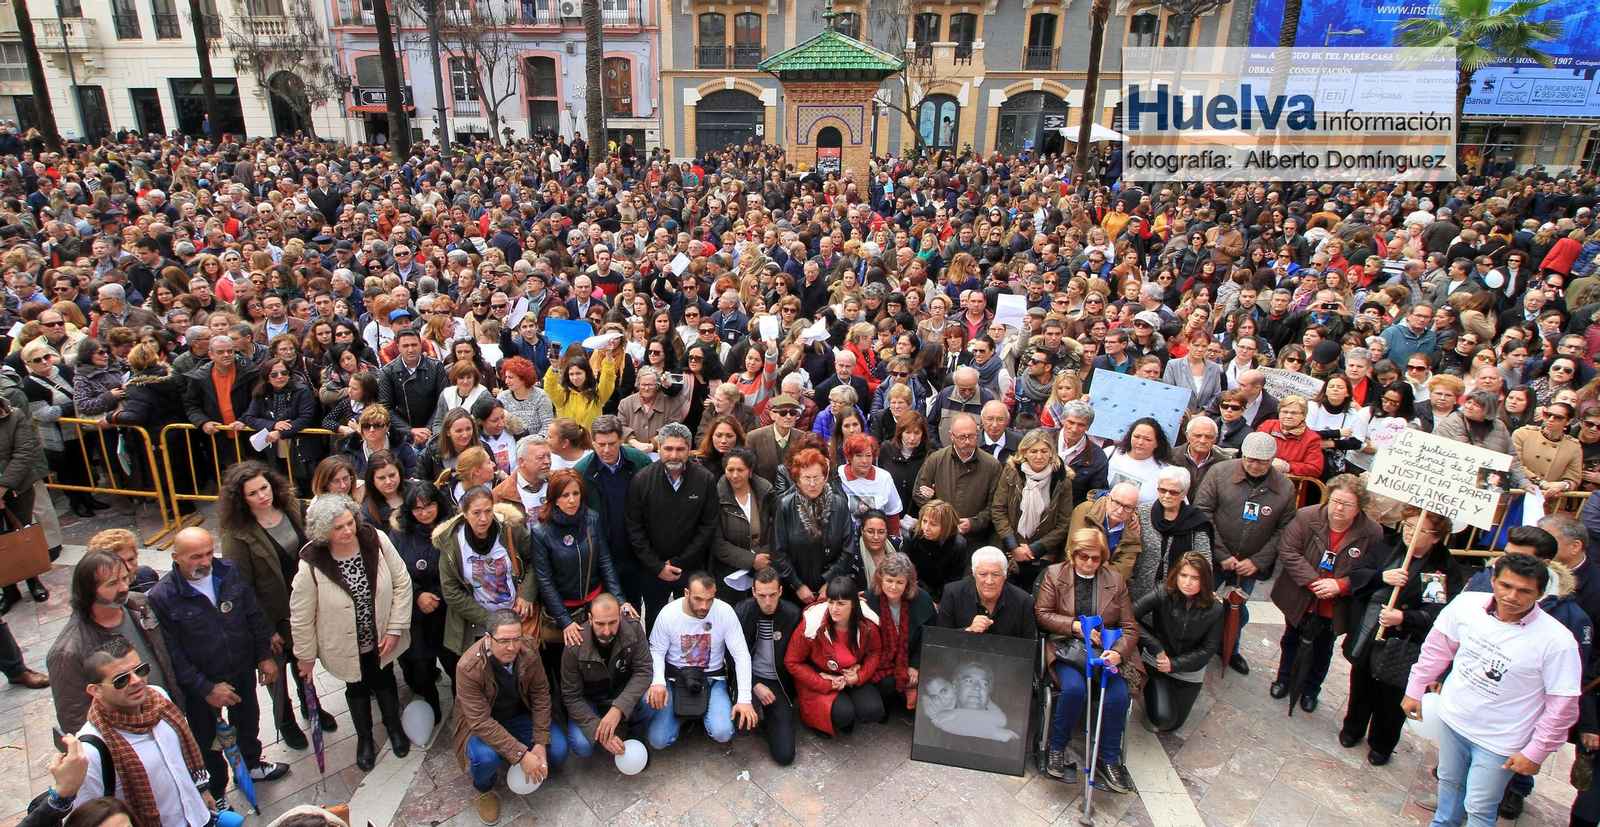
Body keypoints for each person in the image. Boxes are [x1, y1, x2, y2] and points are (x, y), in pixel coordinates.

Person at [1404, 552, 1581, 827]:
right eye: (1505, 585)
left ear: (1540, 593)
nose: (1512, 596)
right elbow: (1438, 648)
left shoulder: (1558, 642)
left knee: (1479, 806)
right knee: (1448, 782)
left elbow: (1562, 706)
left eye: (1525, 591)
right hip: (1453, 719)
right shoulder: (1467, 604)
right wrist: (1415, 688)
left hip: (1501, 740)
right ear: (1494, 579)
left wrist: (1536, 751)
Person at [146, 527, 289, 803]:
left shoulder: (229, 570)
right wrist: (205, 688)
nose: (205, 561)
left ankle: (251, 765)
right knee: (207, 741)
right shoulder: (163, 596)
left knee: (248, 721)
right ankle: (217, 790)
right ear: (176, 558)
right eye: (195, 557)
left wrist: (264, 655)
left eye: (209, 553)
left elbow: (252, 613)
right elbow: (172, 653)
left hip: (240, 668)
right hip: (202, 686)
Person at [289, 495, 415, 772]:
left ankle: (394, 728)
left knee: (384, 678)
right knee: (356, 687)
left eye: (350, 523)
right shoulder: (312, 561)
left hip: (381, 634)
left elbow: (402, 582)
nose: (348, 531)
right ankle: (365, 739)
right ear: (324, 531)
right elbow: (301, 614)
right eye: (338, 527)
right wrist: (305, 657)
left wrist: (395, 627)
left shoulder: (375, 540)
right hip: (345, 643)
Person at [215, 461, 331, 750]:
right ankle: (285, 721)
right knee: (276, 672)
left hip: (302, 604)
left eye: (264, 488)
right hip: (270, 614)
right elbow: (241, 587)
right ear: (241, 499)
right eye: (252, 493)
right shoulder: (238, 535)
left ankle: (311, 705)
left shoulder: (292, 508)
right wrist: (266, 630)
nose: (262, 496)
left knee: (304, 659)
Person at [1340, 510, 1465, 767]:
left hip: (1403, 643)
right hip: (1370, 631)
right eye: (1408, 525)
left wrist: (1404, 617)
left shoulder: (1439, 564)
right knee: (1361, 683)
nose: (1410, 533)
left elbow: (1436, 609)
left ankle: (1382, 744)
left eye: (1421, 530)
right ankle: (1353, 727)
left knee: (1391, 696)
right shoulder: (1388, 546)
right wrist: (1381, 577)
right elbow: (1359, 572)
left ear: (1436, 537)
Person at [70, 637, 216, 827]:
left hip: (199, 817)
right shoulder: (92, 750)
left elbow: (183, 761)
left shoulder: (159, 698)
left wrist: (202, 790)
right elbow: (87, 818)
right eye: (121, 680)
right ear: (95, 691)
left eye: (140, 670)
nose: (137, 681)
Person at [1268, 474, 1383, 714]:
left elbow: (1372, 570)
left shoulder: (1372, 532)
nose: (1339, 508)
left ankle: (1311, 690)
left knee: (1323, 647)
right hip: (1301, 594)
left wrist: (1341, 585)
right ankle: (1284, 678)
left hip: (1336, 602)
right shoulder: (1306, 516)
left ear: (1359, 507)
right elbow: (1288, 550)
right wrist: (1313, 582)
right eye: (1336, 501)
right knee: (1291, 638)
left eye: (1347, 504)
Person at [1035, 529, 1139, 793]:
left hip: (1105, 650)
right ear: (1073, 554)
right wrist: (1074, 626)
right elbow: (1042, 614)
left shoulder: (1115, 580)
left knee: (1118, 696)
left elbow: (1130, 627)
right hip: (1068, 647)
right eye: (1084, 556)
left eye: (1096, 558)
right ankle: (1056, 746)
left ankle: (1108, 757)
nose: (1090, 563)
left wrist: (1118, 653)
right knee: (1074, 690)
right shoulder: (1055, 574)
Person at [1193, 432, 1299, 675]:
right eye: (1250, 459)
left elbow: (1284, 528)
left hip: (1249, 564)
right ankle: (1194, 645)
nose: (1254, 465)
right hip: (1214, 557)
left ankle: (1230, 648)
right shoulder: (1220, 472)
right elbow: (1203, 511)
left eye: (1262, 461)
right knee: (1199, 602)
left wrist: (1258, 561)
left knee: (1237, 610)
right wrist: (1221, 553)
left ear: (1272, 459)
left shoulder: (1284, 487)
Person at [48, 550, 180, 733]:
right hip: (126, 736)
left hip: (165, 716)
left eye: (125, 579)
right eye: (112, 583)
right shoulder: (68, 651)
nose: (124, 588)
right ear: (88, 591)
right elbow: (75, 719)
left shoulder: (139, 605)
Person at [452, 609, 556, 827]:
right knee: (486, 759)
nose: (512, 647)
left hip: (518, 715)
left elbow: (540, 692)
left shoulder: (528, 648)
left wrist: (540, 740)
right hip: (481, 725)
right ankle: (484, 789)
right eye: (504, 641)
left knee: (558, 750)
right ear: (488, 638)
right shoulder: (468, 667)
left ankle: (520, 755)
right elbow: (480, 721)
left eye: (516, 639)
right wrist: (521, 755)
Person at [644, 571, 758, 749]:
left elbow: (741, 655)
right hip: (676, 678)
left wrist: (744, 699)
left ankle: (702, 717)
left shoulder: (724, 612)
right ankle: (685, 717)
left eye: (709, 599)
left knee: (723, 732)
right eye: (698, 599)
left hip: (711, 678)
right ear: (686, 593)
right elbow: (657, 651)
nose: (704, 606)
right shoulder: (668, 614)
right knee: (658, 740)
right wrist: (658, 681)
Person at [623, 423, 720, 621]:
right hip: (652, 571)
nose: (674, 455)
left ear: (689, 449)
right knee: (655, 621)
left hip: (690, 569)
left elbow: (708, 526)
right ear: (659, 448)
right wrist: (657, 566)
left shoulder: (705, 480)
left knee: (692, 622)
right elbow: (634, 527)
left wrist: (679, 562)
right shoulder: (642, 480)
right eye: (668, 448)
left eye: (680, 449)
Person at [435, 486, 540, 664]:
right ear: (465, 514)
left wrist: (526, 594)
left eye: (488, 511)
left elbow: (537, 560)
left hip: (517, 618)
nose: (483, 518)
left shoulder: (510, 529)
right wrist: (491, 621)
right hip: (475, 627)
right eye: (476, 513)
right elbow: (451, 591)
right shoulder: (452, 543)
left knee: (521, 669)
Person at [389, 481, 458, 722]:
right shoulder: (400, 534)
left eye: (429, 506)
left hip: (447, 609)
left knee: (455, 664)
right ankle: (432, 705)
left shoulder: (454, 528)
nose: (424, 512)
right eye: (418, 508)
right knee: (422, 666)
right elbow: (394, 571)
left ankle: (462, 708)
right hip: (415, 612)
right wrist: (418, 594)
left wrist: (438, 594)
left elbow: (461, 569)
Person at [1132, 551, 1223, 732]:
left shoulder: (1215, 608)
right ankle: (1152, 701)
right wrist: (1156, 646)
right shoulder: (1163, 592)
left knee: (1175, 725)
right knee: (1163, 719)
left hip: (1189, 670)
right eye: (1183, 575)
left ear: (1204, 580)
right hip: (1158, 663)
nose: (1187, 583)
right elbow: (1129, 616)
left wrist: (1175, 664)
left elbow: (1209, 648)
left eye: (1195, 578)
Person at [558, 593, 657, 759]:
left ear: (620, 615)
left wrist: (619, 708)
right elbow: (571, 696)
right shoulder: (574, 645)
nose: (606, 631)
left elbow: (644, 670)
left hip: (621, 688)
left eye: (612, 622)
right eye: (600, 624)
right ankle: (604, 737)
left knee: (651, 697)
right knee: (582, 746)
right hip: (590, 697)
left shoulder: (633, 629)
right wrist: (599, 731)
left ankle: (636, 735)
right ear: (590, 619)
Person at [785, 575, 883, 737]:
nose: (834, 609)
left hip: (850, 675)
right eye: (831, 602)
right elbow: (792, 662)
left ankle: (847, 708)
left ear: (853, 604)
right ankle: (825, 721)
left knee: (872, 710)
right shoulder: (812, 626)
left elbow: (875, 652)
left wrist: (859, 675)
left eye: (841, 603)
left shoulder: (866, 624)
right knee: (843, 714)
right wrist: (822, 681)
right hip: (821, 675)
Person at [990, 428, 1075, 590]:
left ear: (1051, 452)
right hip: (1009, 549)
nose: (1039, 456)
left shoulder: (1062, 480)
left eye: (1044, 451)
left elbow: (1063, 523)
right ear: (1024, 452)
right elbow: (999, 510)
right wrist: (1014, 546)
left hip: (1044, 554)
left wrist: (1034, 549)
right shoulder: (1011, 472)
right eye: (1033, 451)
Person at [769, 446, 856, 604]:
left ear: (825, 478)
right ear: (797, 480)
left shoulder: (839, 505)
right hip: (794, 592)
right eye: (806, 478)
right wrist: (798, 585)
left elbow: (848, 549)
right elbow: (778, 552)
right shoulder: (785, 506)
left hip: (832, 590)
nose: (812, 484)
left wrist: (829, 581)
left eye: (817, 478)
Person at [733, 567, 801, 765]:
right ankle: (760, 711)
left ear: (780, 591)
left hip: (778, 681)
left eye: (772, 595)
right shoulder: (741, 612)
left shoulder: (792, 614)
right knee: (741, 727)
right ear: (754, 592)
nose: (768, 602)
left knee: (784, 756)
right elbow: (731, 655)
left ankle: (771, 717)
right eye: (762, 596)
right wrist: (754, 683)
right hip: (749, 677)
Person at [863, 551, 935, 716]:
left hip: (911, 657)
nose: (894, 587)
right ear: (881, 578)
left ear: (908, 582)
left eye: (900, 582)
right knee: (886, 684)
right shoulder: (870, 598)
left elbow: (928, 636)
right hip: (882, 660)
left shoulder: (922, 600)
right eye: (889, 581)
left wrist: (915, 665)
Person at [913, 413, 1002, 546]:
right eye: (961, 437)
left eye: (972, 436)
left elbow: (995, 505)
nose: (967, 441)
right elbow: (919, 493)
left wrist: (973, 523)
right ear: (951, 436)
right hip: (939, 540)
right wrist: (941, 518)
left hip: (974, 540)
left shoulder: (992, 466)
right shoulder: (936, 460)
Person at [1132, 466, 1213, 602]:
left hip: (1177, 597)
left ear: (1184, 493)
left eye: (1173, 492)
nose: (1167, 496)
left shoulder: (1196, 521)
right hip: (1139, 591)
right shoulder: (1142, 512)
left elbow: (1204, 561)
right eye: (1162, 490)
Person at [712, 446, 775, 602]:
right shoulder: (716, 496)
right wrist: (751, 560)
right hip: (728, 573)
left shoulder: (766, 492)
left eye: (740, 470)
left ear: (750, 470)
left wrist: (764, 557)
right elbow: (716, 542)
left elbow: (778, 529)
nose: (735, 475)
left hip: (765, 570)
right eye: (730, 470)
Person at [936, 546, 1037, 638]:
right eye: (983, 574)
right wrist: (968, 630)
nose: (989, 581)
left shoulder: (1024, 602)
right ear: (974, 574)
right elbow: (940, 638)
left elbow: (1029, 647)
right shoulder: (953, 594)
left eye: (996, 574)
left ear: (1005, 575)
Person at [378, 329, 448, 447]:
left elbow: (443, 401)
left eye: (414, 345)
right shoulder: (387, 371)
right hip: (402, 433)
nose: (410, 349)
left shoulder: (436, 366)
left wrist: (428, 429)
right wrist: (408, 430)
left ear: (420, 345)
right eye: (405, 346)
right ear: (398, 347)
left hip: (433, 430)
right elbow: (385, 406)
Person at [1067, 482, 1143, 577]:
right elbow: (1075, 552)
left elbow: (1124, 570)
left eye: (1128, 507)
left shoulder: (1133, 528)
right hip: (1073, 574)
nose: (1120, 511)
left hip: (1107, 583)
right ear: (1107, 497)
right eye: (1116, 503)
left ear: (1134, 510)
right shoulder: (1085, 512)